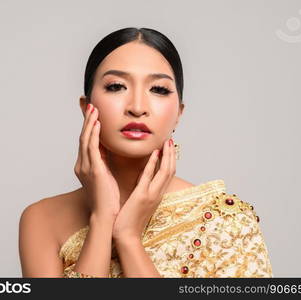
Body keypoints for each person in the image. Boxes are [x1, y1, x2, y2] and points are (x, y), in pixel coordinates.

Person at [18, 27, 273, 278]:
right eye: (116, 86)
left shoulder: (225, 221)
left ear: (178, 114)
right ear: (87, 108)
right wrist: (101, 220)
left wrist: (128, 239)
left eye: (159, 89)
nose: (137, 107)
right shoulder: (42, 220)